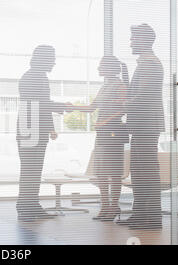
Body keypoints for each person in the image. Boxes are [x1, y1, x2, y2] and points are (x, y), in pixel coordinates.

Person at [116, 23, 165, 229]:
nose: (130, 43)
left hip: (146, 124)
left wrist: (123, 104)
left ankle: (151, 218)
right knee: (139, 171)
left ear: (144, 40)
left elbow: (143, 96)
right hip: (141, 124)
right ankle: (140, 214)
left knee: (146, 171)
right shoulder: (144, 63)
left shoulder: (149, 63)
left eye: (133, 38)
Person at [16, 45, 72, 221]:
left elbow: (42, 104)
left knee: (33, 170)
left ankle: (31, 205)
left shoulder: (39, 77)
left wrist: (51, 128)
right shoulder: (32, 77)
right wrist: (63, 106)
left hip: (34, 130)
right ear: (43, 59)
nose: (54, 62)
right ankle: (26, 207)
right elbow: (39, 104)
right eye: (52, 58)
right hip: (30, 130)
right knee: (29, 170)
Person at [72, 55, 129, 221]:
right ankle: (105, 206)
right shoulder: (104, 86)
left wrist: (105, 120)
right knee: (101, 172)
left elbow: (124, 108)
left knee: (114, 172)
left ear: (110, 68)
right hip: (102, 133)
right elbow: (91, 108)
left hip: (113, 132)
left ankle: (114, 206)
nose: (98, 69)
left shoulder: (120, 85)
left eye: (101, 66)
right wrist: (70, 107)